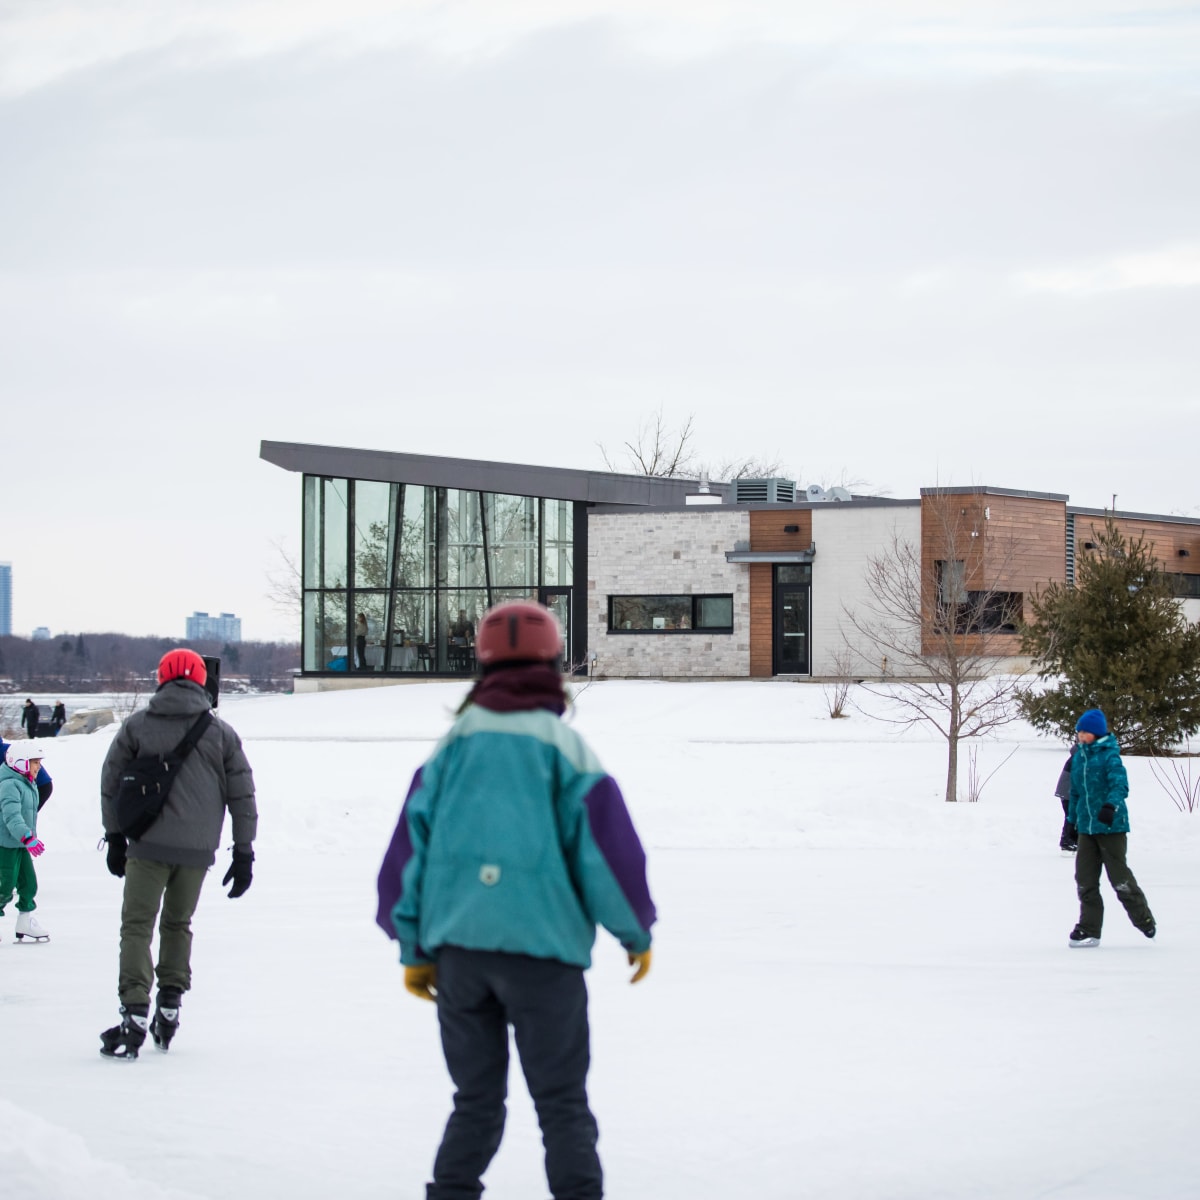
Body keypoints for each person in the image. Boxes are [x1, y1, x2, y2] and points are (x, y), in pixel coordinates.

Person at [376, 600, 656, 1200]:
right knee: (561, 1104)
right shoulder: (566, 751)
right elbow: (607, 854)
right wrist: (635, 932)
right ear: (554, 663)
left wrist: (414, 949)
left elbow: (407, 861)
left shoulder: (449, 752)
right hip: (543, 959)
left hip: (460, 958)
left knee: (475, 1101)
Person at [98, 648, 257, 1059]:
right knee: (177, 923)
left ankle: (134, 1009)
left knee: (136, 926)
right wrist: (243, 853)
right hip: (196, 851)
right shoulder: (220, 733)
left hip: (146, 846)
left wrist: (115, 837)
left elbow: (111, 781)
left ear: (162, 678)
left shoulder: (137, 725)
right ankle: (169, 1004)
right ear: (203, 680)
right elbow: (243, 796)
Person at [1066, 708, 1156, 948]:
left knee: (1119, 879)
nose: (1080, 736)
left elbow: (1120, 785)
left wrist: (1110, 806)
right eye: (1079, 732)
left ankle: (1143, 918)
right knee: (1085, 879)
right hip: (1087, 827)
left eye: (1084, 732)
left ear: (1095, 733)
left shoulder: (1110, 756)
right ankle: (1089, 928)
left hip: (1111, 827)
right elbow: (1075, 792)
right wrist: (1071, 822)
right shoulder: (1079, 758)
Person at [0, 739, 52, 943]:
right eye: (35, 762)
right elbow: (12, 817)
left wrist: (28, 838)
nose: (39, 767)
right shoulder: (9, 785)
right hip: (5, 845)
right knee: (5, 887)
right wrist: (26, 836)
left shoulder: (26, 782)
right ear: (20, 762)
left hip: (19, 844)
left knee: (29, 884)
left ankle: (25, 920)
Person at [1054, 744, 1078, 852]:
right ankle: (1067, 842)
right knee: (1072, 815)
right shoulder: (1079, 756)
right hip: (1069, 791)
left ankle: (1073, 842)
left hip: (1069, 790)